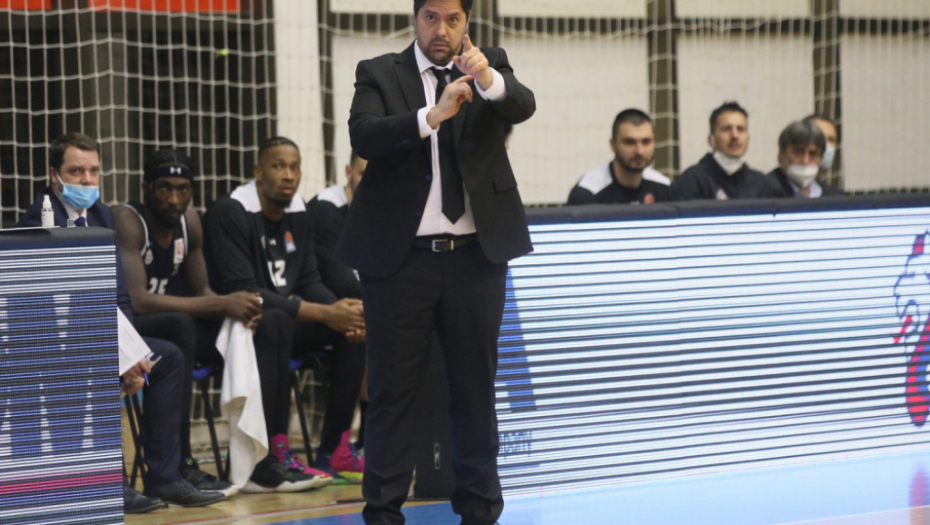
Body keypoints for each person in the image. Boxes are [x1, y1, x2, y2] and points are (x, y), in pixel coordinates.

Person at [340, 0, 536, 522]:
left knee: (476, 393)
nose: (441, 29)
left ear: (466, 21)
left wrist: (487, 78)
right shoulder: (379, 72)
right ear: (415, 18)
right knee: (392, 395)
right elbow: (364, 134)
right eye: (431, 17)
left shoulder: (491, 64)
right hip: (401, 262)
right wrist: (432, 116)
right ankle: (383, 514)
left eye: (452, 19)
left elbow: (523, 105)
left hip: (475, 259)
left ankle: (480, 512)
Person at [17, 133, 224, 512]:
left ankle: (165, 478)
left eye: (93, 171)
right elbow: (64, 310)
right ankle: (107, 482)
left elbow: (121, 296)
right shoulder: (39, 222)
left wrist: (130, 351)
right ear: (54, 175)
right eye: (76, 171)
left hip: (100, 335)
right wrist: (117, 354)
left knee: (168, 357)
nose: (86, 180)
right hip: (57, 345)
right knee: (97, 360)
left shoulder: (102, 215)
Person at [112, 148, 331, 493]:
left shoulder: (190, 221)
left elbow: (203, 291)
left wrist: (238, 311)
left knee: (269, 320)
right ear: (146, 188)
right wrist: (223, 303)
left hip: (177, 329)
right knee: (180, 324)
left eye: (183, 189)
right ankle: (180, 463)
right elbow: (138, 300)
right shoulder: (128, 220)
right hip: (129, 330)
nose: (174, 198)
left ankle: (262, 460)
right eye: (164, 188)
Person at [203, 136, 367, 484]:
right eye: (278, 166)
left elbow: (309, 279)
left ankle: (335, 449)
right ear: (258, 172)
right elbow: (244, 290)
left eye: (294, 167)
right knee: (275, 320)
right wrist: (326, 313)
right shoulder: (230, 211)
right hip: (236, 327)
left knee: (353, 326)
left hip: (283, 323)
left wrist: (340, 312)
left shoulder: (298, 212)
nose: (288, 175)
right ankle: (273, 451)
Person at [568, 109, 677, 205]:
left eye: (646, 142)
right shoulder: (587, 193)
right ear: (613, 145)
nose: (640, 151)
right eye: (630, 142)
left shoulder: (665, 188)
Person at [673, 101, 776, 200]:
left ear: (748, 140)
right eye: (726, 129)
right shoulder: (693, 180)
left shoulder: (761, 183)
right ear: (711, 140)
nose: (735, 135)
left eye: (740, 129)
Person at [767, 120, 843, 198]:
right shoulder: (765, 191)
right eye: (798, 153)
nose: (805, 161)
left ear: (821, 158)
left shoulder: (834, 196)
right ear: (782, 154)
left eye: (813, 154)